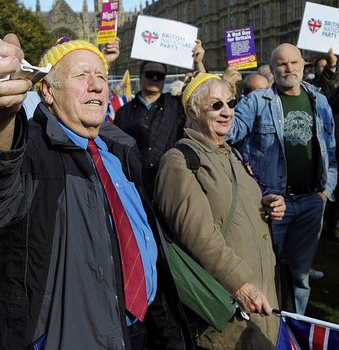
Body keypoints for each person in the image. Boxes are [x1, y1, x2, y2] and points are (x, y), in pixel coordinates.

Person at [0, 35, 158, 349]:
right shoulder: (31, 150)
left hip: (136, 328)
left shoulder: (120, 150)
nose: (97, 85)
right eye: (81, 76)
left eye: (100, 76)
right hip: (65, 336)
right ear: (47, 90)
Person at [155, 72, 284, 348]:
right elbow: (200, 237)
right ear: (193, 110)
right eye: (216, 105)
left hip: (260, 305)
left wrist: (268, 205)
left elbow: (232, 209)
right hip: (225, 312)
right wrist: (240, 286)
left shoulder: (232, 153)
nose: (227, 111)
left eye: (230, 102)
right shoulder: (179, 161)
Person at [227, 43, 338, 314]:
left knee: (300, 276)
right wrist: (223, 89)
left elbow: (332, 151)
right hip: (271, 205)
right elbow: (227, 134)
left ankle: (295, 325)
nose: (288, 68)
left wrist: (325, 191)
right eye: (281, 64)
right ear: (273, 68)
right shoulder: (256, 101)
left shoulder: (319, 100)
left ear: (303, 65)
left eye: (294, 63)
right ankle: (269, 326)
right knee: (264, 272)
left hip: (311, 202)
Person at [113, 39, 203, 201]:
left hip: (170, 185)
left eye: (159, 76)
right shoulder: (123, 113)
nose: (154, 78)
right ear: (140, 77)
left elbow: (203, 96)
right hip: (134, 188)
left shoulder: (177, 106)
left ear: (164, 79)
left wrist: (199, 63)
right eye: (150, 74)